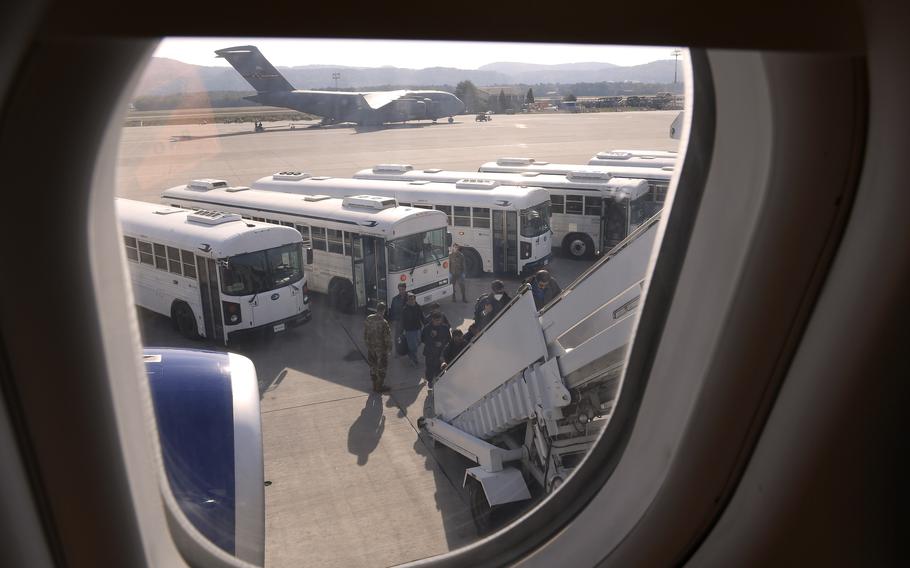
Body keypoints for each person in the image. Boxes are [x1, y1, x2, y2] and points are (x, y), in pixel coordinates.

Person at [363, 302, 392, 393]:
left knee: (373, 366)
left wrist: (367, 344)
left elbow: (365, 333)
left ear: (376, 309)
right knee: (382, 367)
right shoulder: (384, 322)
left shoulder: (369, 318)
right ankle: (379, 386)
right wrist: (389, 349)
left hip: (371, 348)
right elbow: (387, 338)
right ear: (384, 310)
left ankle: (374, 385)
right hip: (381, 349)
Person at [420, 311, 451, 385]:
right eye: (436, 320)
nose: (438, 322)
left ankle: (439, 382)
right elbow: (423, 339)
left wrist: (442, 343)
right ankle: (430, 381)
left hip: (441, 353)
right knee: (430, 369)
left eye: (440, 320)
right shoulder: (427, 328)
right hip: (430, 353)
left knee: (440, 369)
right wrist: (433, 342)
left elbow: (448, 339)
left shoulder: (445, 327)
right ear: (432, 319)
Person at [401, 293, 425, 367]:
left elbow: (422, 317)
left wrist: (426, 324)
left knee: (418, 343)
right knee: (413, 346)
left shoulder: (418, 307)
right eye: (410, 299)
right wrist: (403, 330)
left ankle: (410, 353)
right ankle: (415, 361)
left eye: (413, 299)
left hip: (418, 328)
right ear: (407, 300)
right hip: (409, 330)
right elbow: (402, 321)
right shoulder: (405, 309)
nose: (412, 301)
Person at [387, 282, 409, 355]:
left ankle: (409, 351)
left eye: (402, 289)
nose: (401, 291)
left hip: (408, 321)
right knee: (397, 337)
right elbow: (392, 310)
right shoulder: (395, 299)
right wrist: (394, 320)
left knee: (409, 336)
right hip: (399, 321)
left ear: (405, 289)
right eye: (400, 290)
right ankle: (397, 351)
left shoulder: (409, 298)